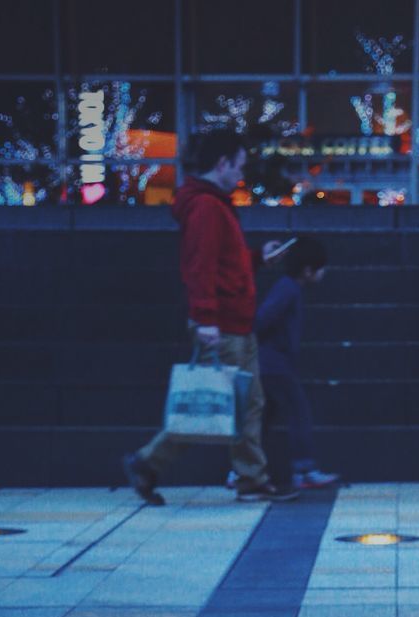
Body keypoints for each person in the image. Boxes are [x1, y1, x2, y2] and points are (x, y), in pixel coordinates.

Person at [123, 128, 295, 505]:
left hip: (233, 322)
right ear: (222, 164)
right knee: (219, 405)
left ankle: (246, 477)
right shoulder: (206, 207)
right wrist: (206, 321)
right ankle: (153, 463)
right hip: (224, 325)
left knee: (241, 404)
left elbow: (220, 263)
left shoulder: (212, 204)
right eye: (238, 165)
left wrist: (256, 259)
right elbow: (199, 267)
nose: (241, 174)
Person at [250, 236, 339, 491]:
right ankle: (305, 469)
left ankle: (240, 470)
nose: (324, 272)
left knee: (263, 419)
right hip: (275, 364)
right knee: (299, 412)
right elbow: (261, 320)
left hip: (271, 363)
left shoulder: (288, 287)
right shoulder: (288, 288)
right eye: (320, 268)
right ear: (308, 270)